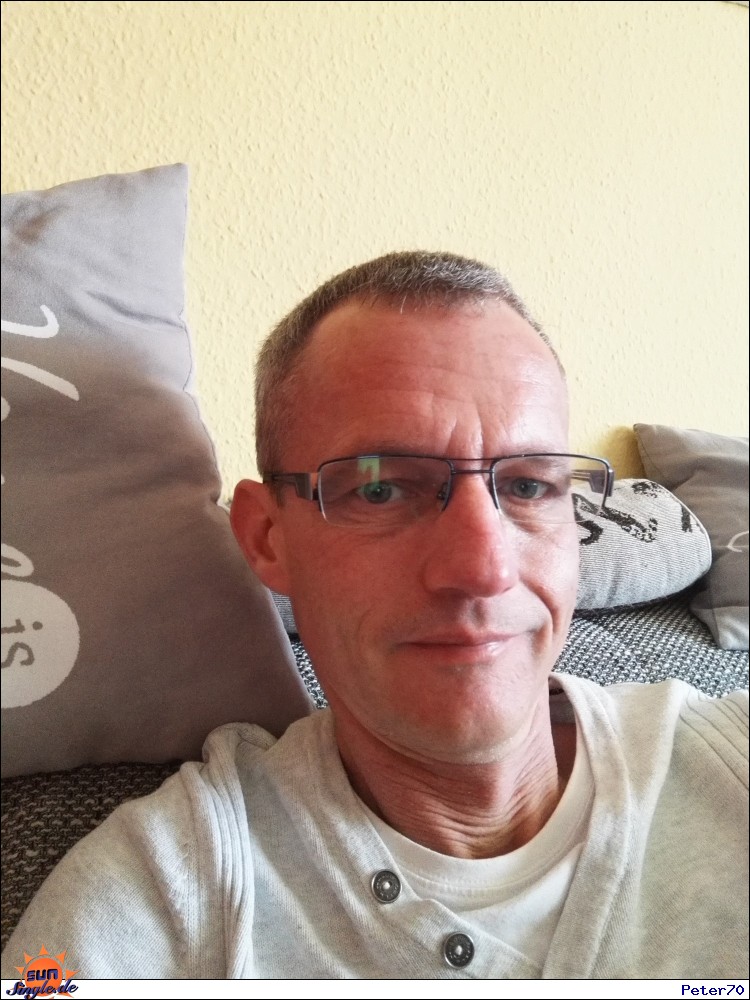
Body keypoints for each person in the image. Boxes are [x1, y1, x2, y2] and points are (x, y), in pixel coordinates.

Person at [2, 251, 747, 979]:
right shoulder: (164, 898)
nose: (484, 569)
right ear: (268, 537)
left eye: (528, 487)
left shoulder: (731, 757)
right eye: (381, 489)